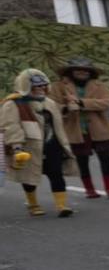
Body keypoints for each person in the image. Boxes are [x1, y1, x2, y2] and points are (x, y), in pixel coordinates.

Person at [5, 69, 75, 216]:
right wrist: (17, 146)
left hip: (52, 145)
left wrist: (70, 107)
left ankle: (62, 206)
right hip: (29, 146)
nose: (41, 88)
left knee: (56, 173)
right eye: (37, 86)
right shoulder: (13, 103)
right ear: (26, 86)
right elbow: (11, 126)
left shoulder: (50, 103)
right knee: (30, 177)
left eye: (43, 85)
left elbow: (58, 125)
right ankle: (33, 204)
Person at [51, 58, 109, 199]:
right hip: (74, 129)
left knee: (105, 159)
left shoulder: (100, 86)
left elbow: (107, 103)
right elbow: (52, 105)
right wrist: (66, 107)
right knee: (82, 161)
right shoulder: (58, 86)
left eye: (85, 70)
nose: (82, 72)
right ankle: (89, 189)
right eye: (78, 70)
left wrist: (82, 103)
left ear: (90, 72)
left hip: (98, 128)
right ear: (71, 71)